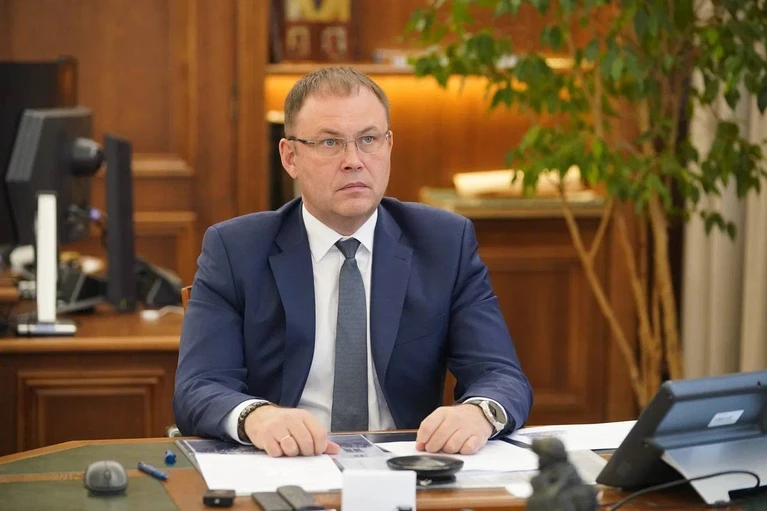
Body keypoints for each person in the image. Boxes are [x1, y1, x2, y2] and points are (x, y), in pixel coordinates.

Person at [173, 67, 533, 458]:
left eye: (368, 140)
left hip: (406, 468)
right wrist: (256, 417)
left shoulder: (444, 243)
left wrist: (478, 412)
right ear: (290, 157)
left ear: (388, 146)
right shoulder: (236, 250)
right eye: (330, 142)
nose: (353, 160)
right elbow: (198, 387)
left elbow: (500, 375)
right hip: (285, 466)